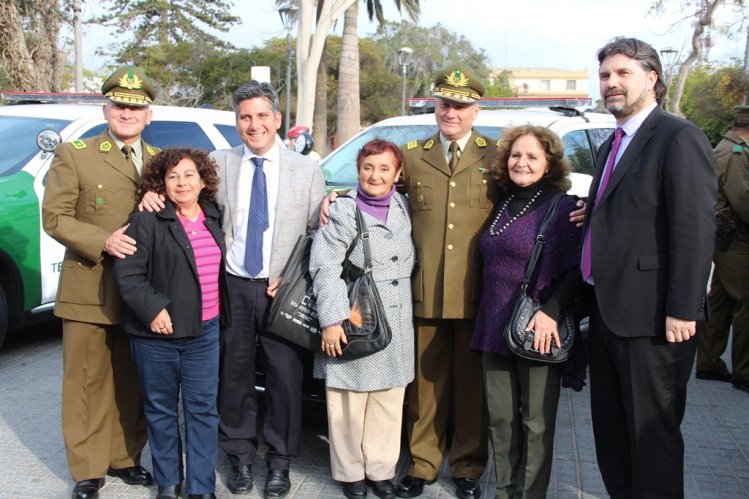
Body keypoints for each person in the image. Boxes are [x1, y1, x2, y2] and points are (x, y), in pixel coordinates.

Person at [320, 64, 586, 499]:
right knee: (425, 388)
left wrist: (582, 209)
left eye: (461, 106)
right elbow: (376, 188)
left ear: (475, 110)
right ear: (435, 107)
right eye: (445, 104)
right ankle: (423, 463)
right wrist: (334, 197)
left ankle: (467, 466)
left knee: (474, 390)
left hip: (480, 297)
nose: (452, 113)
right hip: (421, 293)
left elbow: (535, 198)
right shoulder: (414, 154)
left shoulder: (496, 156)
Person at [141, 80, 326, 498]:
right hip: (232, 286)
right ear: (236, 121)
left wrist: (295, 271)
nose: (254, 124)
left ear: (278, 119)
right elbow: (182, 194)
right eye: (245, 116)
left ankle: (280, 462)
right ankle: (239, 457)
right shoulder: (218, 163)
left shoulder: (307, 169)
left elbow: (316, 233)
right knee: (234, 376)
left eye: (262, 115)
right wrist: (151, 195)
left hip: (283, 289)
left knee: (284, 379)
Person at [580, 37, 716, 498]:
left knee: (651, 440)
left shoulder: (679, 137)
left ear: (652, 78)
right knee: (612, 438)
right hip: (607, 315)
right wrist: (591, 209)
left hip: (657, 321)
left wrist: (684, 308)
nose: (611, 83)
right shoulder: (610, 144)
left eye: (623, 73)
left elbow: (694, 230)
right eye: (604, 75)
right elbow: (631, 208)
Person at [41, 66, 155, 499]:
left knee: (131, 379)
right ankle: (88, 469)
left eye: (136, 107)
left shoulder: (162, 160)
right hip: (90, 284)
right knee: (87, 381)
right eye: (121, 105)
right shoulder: (76, 154)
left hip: (140, 293)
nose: (128, 113)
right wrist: (103, 240)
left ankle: (126, 458)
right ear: (107, 108)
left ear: (149, 115)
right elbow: (56, 217)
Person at [471, 125, 585, 499]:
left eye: (533, 156)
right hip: (493, 322)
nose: (522, 162)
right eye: (516, 155)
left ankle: (530, 494)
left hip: (537, 327)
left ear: (550, 163)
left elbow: (576, 269)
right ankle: (505, 491)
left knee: (535, 422)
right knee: (501, 419)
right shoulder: (501, 201)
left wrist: (551, 311)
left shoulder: (564, 207)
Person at [115, 148, 228, 499]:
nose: (182, 183)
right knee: (161, 410)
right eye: (173, 176)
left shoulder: (214, 215)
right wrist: (153, 309)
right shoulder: (147, 219)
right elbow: (129, 274)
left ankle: (200, 486)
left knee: (202, 412)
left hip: (205, 332)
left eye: (189, 175)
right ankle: (167, 482)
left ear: (202, 179)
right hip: (156, 337)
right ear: (161, 183)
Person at [310, 139, 415, 499]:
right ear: (358, 170)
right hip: (356, 314)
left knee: (387, 398)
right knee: (348, 400)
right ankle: (351, 472)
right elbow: (325, 267)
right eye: (368, 167)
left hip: (397, 320)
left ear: (397, 174)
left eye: (385, 168)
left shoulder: (402, 205)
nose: (375, 175)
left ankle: (381, 469)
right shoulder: (342, 210)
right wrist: (332, 320)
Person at [696, 105, 749, 392]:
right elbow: (742, 198)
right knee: (746, 300)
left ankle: (709, 362)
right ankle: (744, 370)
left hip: (728, 236)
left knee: (721, 301)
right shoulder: (734, 153)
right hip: (734, 237)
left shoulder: (730, 149)